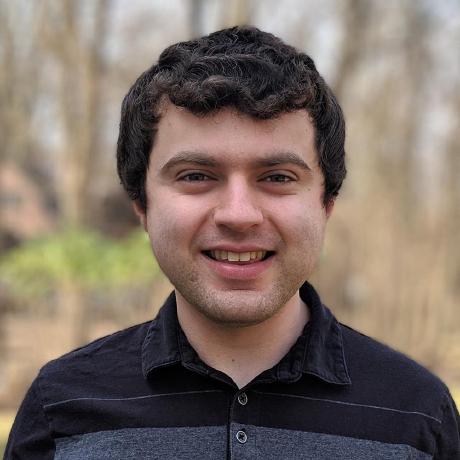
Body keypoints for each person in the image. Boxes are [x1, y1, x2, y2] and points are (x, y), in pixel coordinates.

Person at [5, 26, 459, 460]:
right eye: (196, 176)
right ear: (141, 204)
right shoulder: (59, 409)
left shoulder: (419, 417)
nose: (238, 215)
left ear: (326, 203)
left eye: (277, 177)